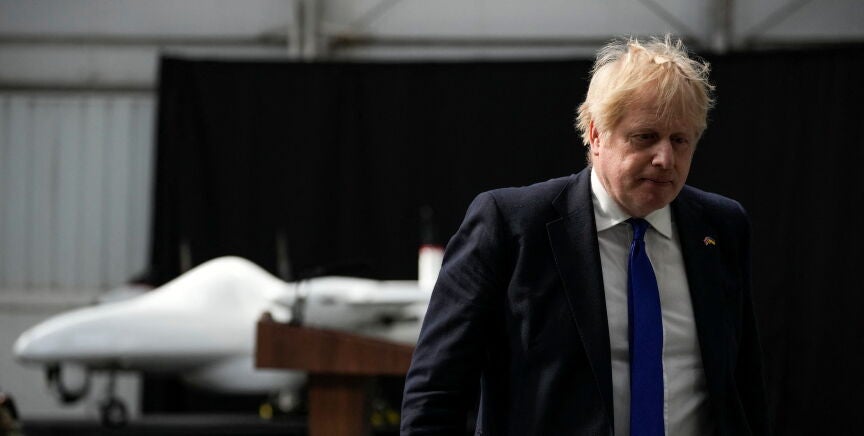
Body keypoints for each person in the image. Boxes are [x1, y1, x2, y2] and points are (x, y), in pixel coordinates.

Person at [400, 35, 769, 435]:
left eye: (680, 140)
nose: (665, 159)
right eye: (645, 137)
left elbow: (744, 387)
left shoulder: (721, 227)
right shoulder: (511, 226)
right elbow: (434, 394)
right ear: (596, 135)